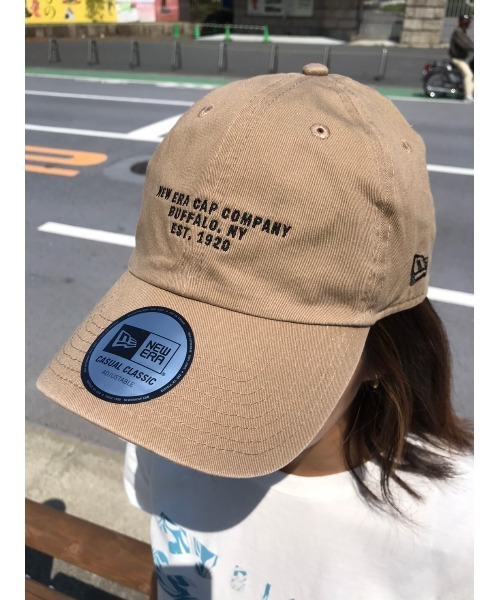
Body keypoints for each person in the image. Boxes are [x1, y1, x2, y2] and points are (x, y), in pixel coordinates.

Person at [37, 63, 473, 599]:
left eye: (255, 351)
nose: (187, 393)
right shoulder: (157, 433)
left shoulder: (466, 530)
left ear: (385, 352)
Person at [449, 13, 474, 101]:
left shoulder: (463, 32)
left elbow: (470, 42)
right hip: (457, 59)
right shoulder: (458, 32)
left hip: (463, 59)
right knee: (469, 74)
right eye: (467, 22)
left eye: (468, 22)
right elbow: (465, 44)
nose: (468, 24)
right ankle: (468, 96)